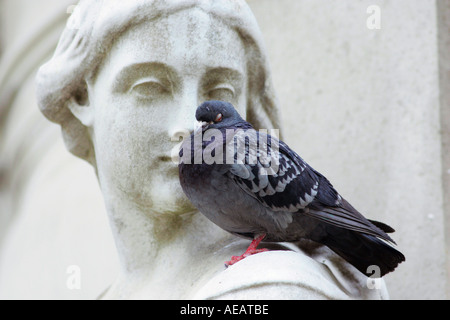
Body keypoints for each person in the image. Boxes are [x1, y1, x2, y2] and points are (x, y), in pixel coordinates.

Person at [36, 0, 388, 299]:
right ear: (79, 98)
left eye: (221, 90)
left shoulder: (270, 287)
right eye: (151, 87)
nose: (188, 126)